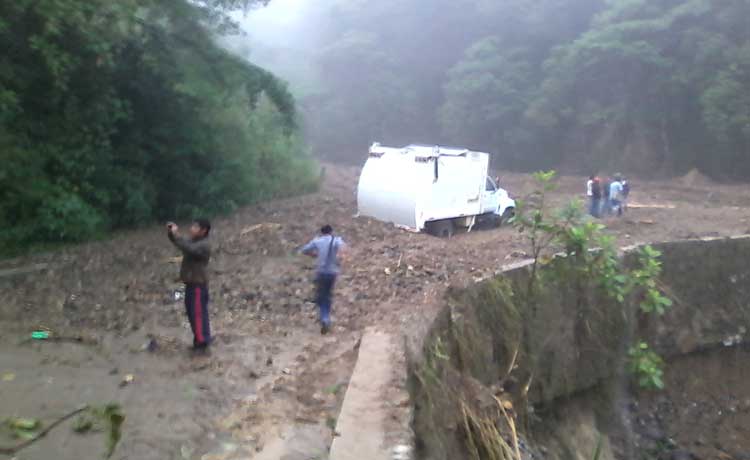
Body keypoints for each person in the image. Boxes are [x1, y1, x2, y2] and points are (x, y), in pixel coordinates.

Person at [167, 218, 212, 351]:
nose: (191, 229)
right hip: (191, 284)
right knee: (193, 314)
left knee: (197, 314)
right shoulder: (194, 241)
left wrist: (177, 235)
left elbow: (188, 248)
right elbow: (181, 243)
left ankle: (201, 343)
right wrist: (171, 233)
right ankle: (201, 340)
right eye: (192, 226)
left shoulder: (204, 245)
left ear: (203, 231)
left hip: (198, 285)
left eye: (195, 227)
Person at [301, 225, 345, 334]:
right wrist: (339, 257)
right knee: (328, 295)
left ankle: (324, 318)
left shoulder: (317, 241)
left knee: (321, 296)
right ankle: (326, 318)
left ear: (322, 232)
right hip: (332, 273)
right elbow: (343, 248)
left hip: (321, 272)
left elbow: (304, 250)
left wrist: (315, 255)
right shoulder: (336, 240)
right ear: (331, 231)